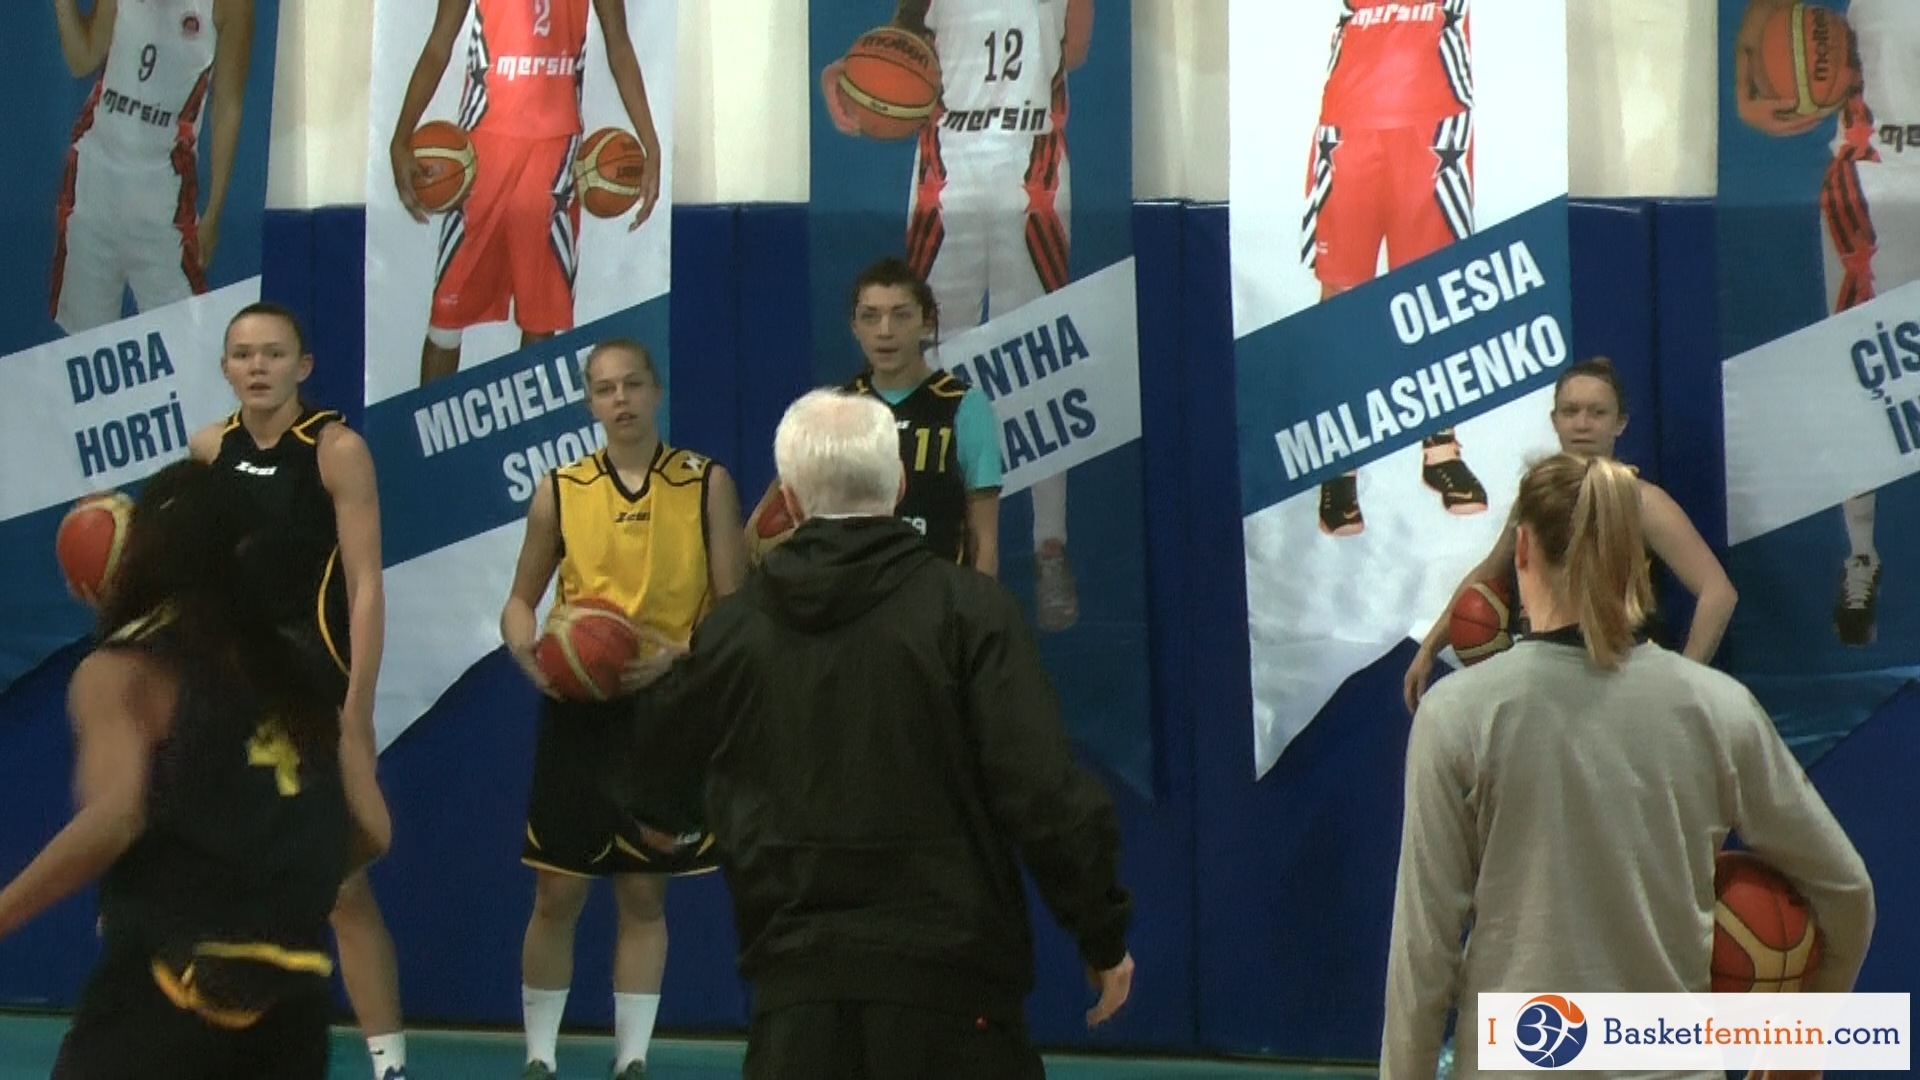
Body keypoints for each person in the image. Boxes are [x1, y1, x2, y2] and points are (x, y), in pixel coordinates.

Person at [619, 388, 1135, 1079]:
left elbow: (653, 774)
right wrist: (1100, 934)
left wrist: (671, 818)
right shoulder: (970, 612)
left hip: (794, 1004)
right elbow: (1043, 794)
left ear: (793, 504)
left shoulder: (732, 631)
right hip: (954, 996)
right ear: (897, 485)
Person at [1379, 452, 1876, 1079]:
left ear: (1522, 551)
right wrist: (1799, 1051)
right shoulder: (1719, 710)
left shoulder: (1458, 713)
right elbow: (1848, 892)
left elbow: (1424, 955)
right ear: (1634, 559)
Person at [0, 459, 391, 1080]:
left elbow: (115, 817)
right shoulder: (300, 668)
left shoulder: (128, 667)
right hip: (293, 1001)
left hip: (171, 989)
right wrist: (267, 888)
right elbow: (373, 827)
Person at [498, 339, 747, 1080]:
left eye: (632, 384)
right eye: (604, 390)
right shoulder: (560, 488)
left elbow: (736, 607)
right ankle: (540, 1057)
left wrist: (679, 656)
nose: (620, 400)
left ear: (656, 389)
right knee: (558, 889)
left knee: (643, 893)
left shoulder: (706, 482)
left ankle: (630, 1060)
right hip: (579, 710)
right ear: (589, 403)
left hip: (665, 706)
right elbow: (519, 602)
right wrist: (526, 651)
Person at [185, 302, 410, 1080]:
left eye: (273, 354)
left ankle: (389, 1064)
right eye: (243, 354)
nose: (257, 367)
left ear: (302, 366)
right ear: (225, 368)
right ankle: (220, 1048)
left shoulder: (337, 450)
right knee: (218, 876)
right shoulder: (206, 448)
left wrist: (359, 707)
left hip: (314, 691)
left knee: (341, 884)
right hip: (227, 697)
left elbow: (367, 586)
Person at [821, 0, 1092, 629]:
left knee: (1042, 359)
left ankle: (1049, 545)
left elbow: (1071, 53)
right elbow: (898, 48)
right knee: (933, 362)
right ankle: (929, 535)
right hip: (950, 167)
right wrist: (856, 79)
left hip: (1034, 165)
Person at [1402, 357, 1740, 711]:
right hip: (1546, 687)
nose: (1582, 424)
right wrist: (1429, 648)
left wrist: (1679, 685)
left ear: (1620, 423)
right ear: (1554, 421)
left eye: (1597, 413)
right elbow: (1489, 571)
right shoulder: (1535, 500)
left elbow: (1718, 593)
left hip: (1618, 687)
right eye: (1570, 411)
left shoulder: (1641, 503)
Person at [1735, 0, 1904, 646]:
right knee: (1863, 379)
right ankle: (1861, 553)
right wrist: (1780, 88)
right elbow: (1758, 55)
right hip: (1871, 176)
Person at [390, 0, 663, 385]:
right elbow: (439, 44)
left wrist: (651, 143)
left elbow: (619, 45)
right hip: (481, 152)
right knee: (446, 316)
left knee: (541, 321)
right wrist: (401, 136)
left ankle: (521, 444)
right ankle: (431, 443)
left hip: (554, 157)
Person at [1303, 0, 1487, 536]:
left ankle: (1440, 448)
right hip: (1351, 122)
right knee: (1342, 298)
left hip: (1432, 122)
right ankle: (1338, 464)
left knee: (1432, 294)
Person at [746, 257, 1001, 575]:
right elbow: (763, 524)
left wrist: (979, 618)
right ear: (854, 326)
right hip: (852, 600)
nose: (885, 331)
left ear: (927, 322)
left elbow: (985, 541)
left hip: (936, 600)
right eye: (870, 317)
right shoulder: (835, 410)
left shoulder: (964, 406)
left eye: (901, 315)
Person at [50, 0, 254, 333]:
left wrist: (215, 209)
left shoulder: (231, 6)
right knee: (83, 348)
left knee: (183, 340)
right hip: (93, 184)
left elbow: (228, 106)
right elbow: (82, 59)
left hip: (164, 199)